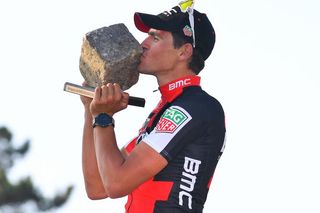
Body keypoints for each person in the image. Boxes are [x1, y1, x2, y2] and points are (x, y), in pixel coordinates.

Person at [80, 1, 226, 212]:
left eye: (155, 37)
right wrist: (91, 113)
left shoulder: (192, 108)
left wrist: (104, 118)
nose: (143, 44)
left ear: (184, 52)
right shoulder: (168, 108)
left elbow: (116, 184)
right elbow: (97, 186)